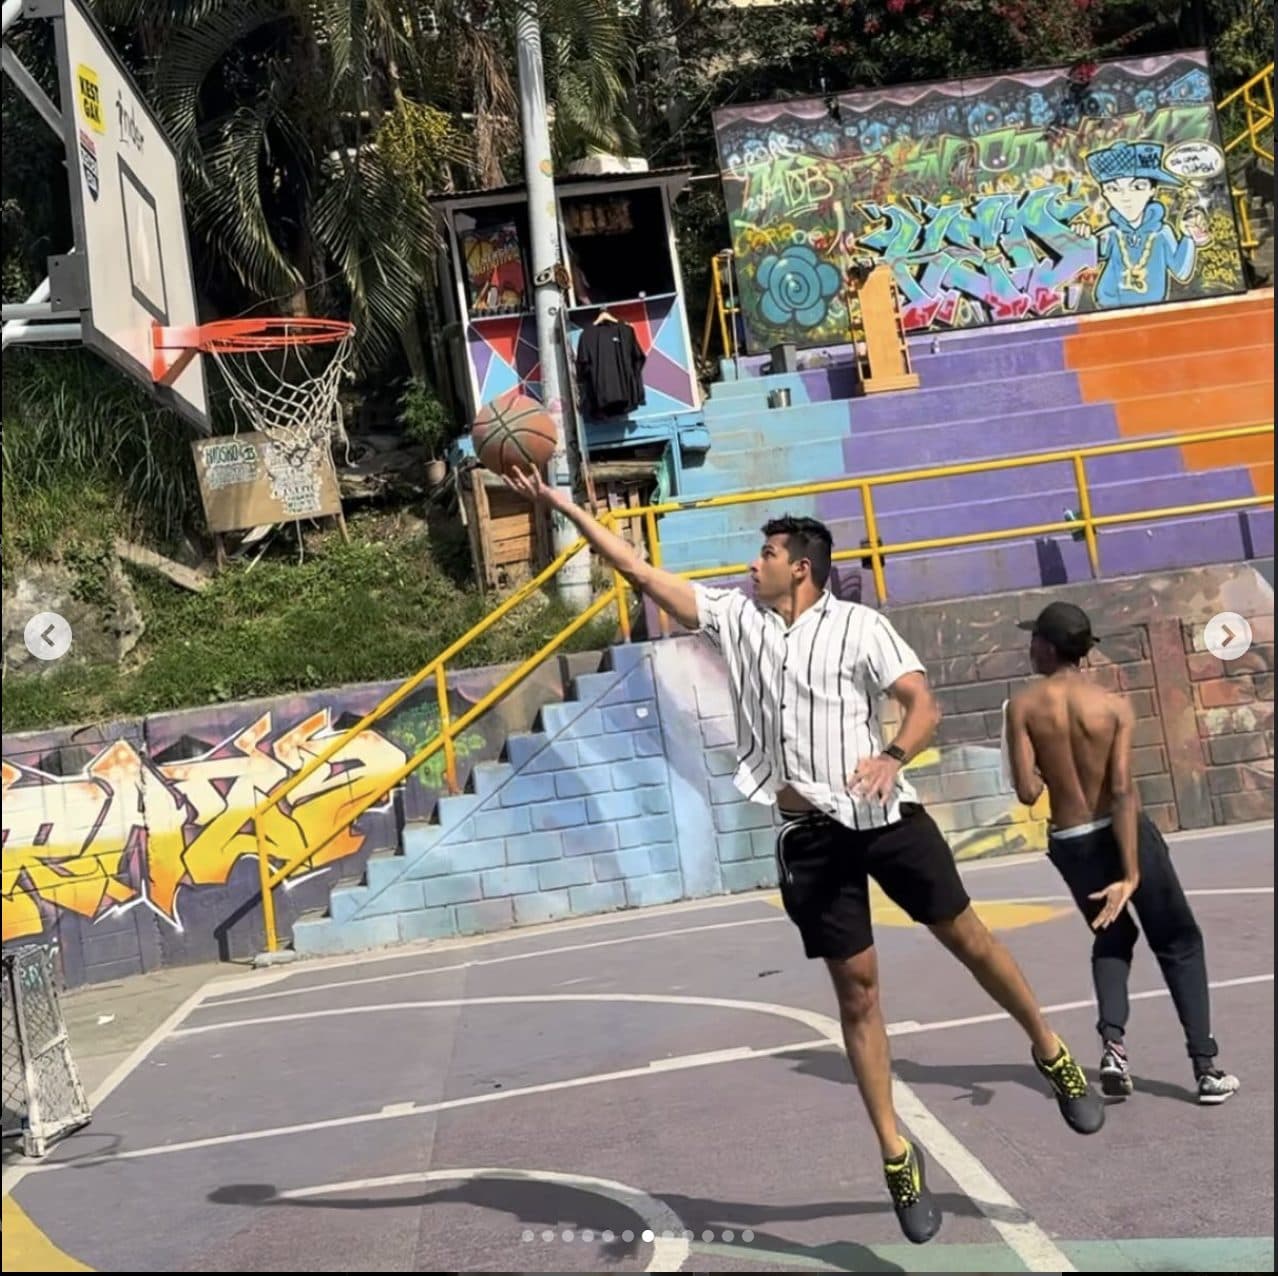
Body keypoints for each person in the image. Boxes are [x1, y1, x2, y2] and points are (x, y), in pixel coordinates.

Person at [505, 469, 1105, 1246]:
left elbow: (924, 702)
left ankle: (1051, 1051)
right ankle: (896, 1152)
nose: (750, 565)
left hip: (882, 812)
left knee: (968, 937)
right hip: (810, 835)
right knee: (857, 992)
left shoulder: (858, 627)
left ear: (802, 567)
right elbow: (639, 571)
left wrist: (892, 753)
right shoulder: (735, 618)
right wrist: (559, 504)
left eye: (765, 554)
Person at [1005, 601, 1240, 1105]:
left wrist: (1048, 768)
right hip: (1123, 828)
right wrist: (1131, 871)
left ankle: (1113, 1047)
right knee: (1178, 939)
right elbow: (1121, 791)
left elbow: (1026, 792)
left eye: (1033, 640)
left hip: (1072, 841)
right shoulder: (1113, 706)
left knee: (1112, 935)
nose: (1029, 648)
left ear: (1047, 647)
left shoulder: (1022, 707)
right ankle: (1205, 1068)